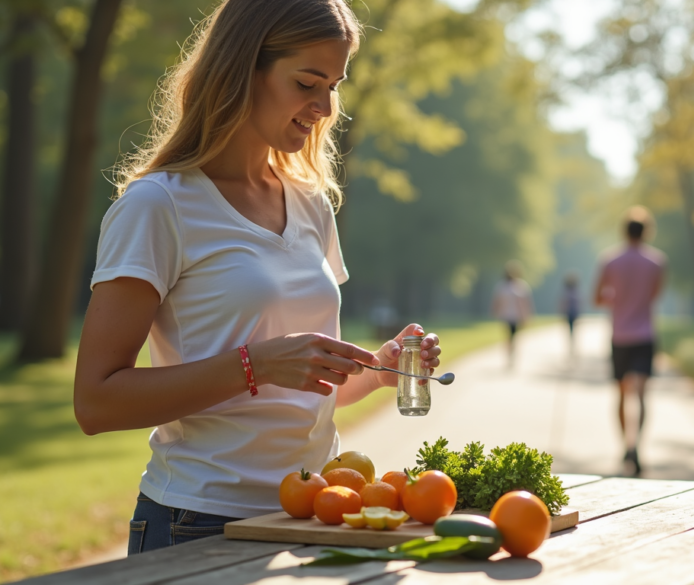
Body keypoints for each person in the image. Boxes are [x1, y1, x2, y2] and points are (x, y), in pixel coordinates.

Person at [73, 0, 442, 555]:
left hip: (316, 514)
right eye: (306, 82)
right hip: (198, 524)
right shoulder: (158, 206)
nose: (323, 106)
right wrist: (256, 364)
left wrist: (376, 370)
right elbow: (96, 403)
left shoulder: (311, 202)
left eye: (333, 85)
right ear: (243, 68)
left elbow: (301, 392)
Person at [593, 207, 664, 477]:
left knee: (622, 393)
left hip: (620, 335)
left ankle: (625, 445)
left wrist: (617, 297)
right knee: (643, 394)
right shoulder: (657, 262)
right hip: (645, 335)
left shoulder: (610, 260)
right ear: (646, 232)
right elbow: (654, 295)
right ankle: (638, 446)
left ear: (624, 231)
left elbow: (598, 297)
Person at [491, 260, 533, 367]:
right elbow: (497, 301)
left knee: (513, 337)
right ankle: (510, 355)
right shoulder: (503, 286)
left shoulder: (520, 285)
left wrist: (526, 315)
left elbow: (524, 303)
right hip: (507, 316)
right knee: (510, 336)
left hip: (515, 316)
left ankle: (511, 355)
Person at [558, 271, 581, 357]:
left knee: (573, 331)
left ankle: (573, 346)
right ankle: (571, 346)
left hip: (573, 313)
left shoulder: (574, 291)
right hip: (569, 313)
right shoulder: (568, 291)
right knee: (570, 330)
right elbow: (563, 303)